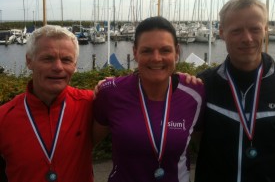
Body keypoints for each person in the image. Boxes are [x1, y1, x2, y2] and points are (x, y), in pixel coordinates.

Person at [194, 0, 275, 182]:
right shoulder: (204, 85)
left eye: (255, 29)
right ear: (221, 32)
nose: (247, 38)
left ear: (266, 30)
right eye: (236, 31)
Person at [93, 16, 205, 182]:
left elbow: (206, 146)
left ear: (176, 52)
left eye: (165, 50)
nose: (156, 58)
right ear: (135, 53)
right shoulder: (111, 93)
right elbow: (87, 144)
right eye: (147, 51)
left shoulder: (195, 93)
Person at [0, 25, 94, 182]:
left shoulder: (91, 103)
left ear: (75, 65)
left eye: (66, 60)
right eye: (48, 58)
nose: (58, 67)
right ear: (29, 62)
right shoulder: (3, 117)